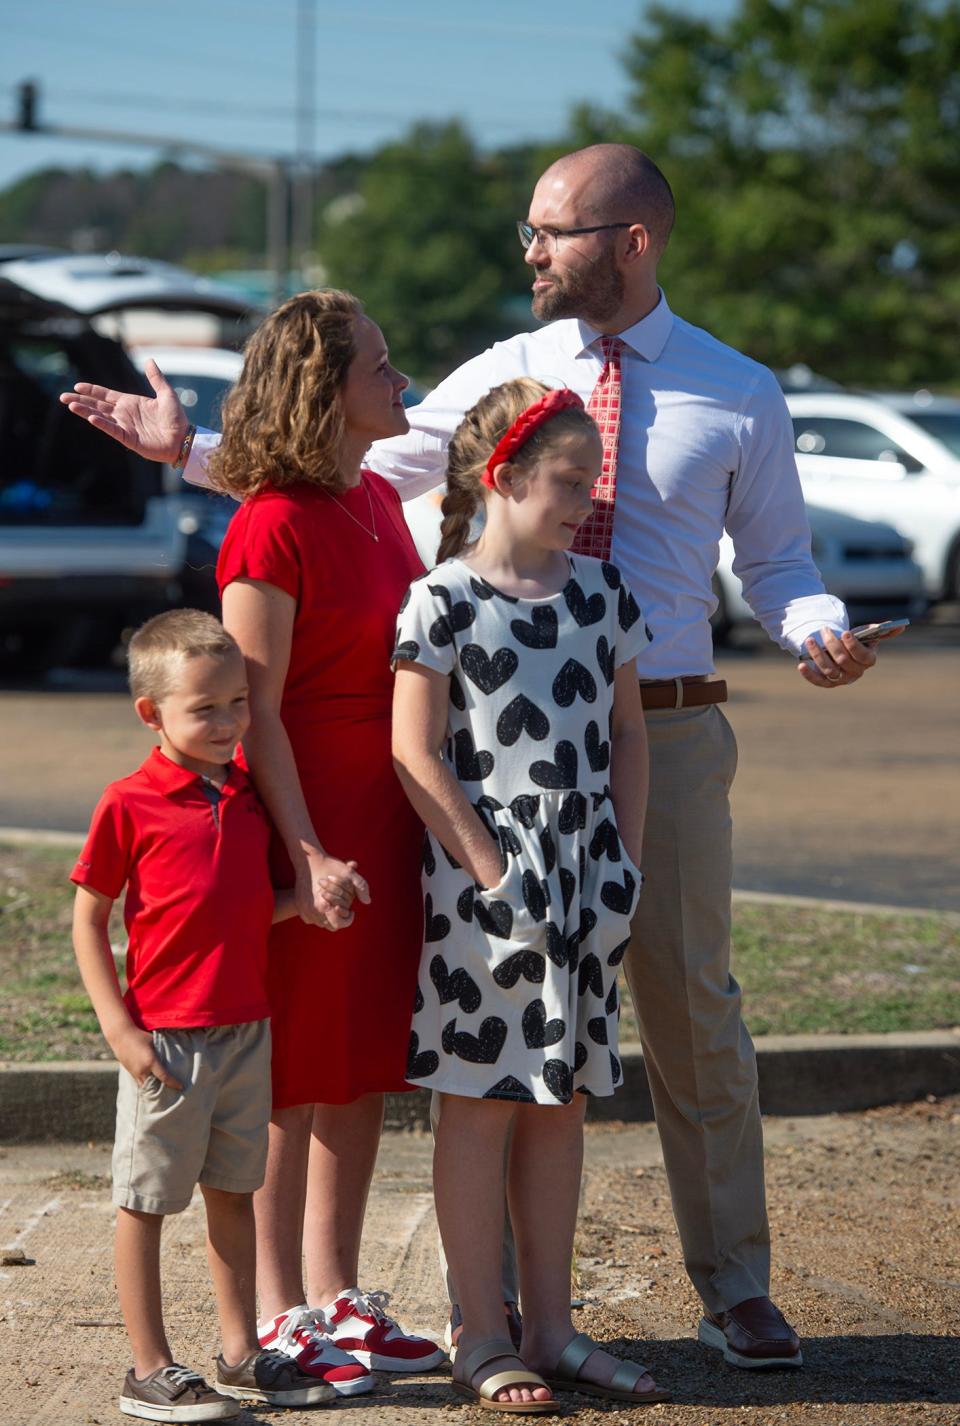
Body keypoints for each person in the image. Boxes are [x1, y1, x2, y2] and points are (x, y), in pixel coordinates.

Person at [60, 143, 897, 1368]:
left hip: (658, 719)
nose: (531, 251)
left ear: (633, 241)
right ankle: (492, 1318)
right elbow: (347, 465)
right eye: (529, 229)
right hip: (489, 750)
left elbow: (777, 564)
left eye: (552, 231)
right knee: (496, 1031)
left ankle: (735, 1284)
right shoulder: (505, 374)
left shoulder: (741, 391)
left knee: (692, 1011)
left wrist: (817, 631)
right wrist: (190, 454)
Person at [66, 291, 446, 1395]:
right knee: (290, 1078)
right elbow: (256, 709)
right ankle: (277, 1315)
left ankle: (336, 1297)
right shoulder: (267, 522)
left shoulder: (373, 495)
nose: (401, 379)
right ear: (327, 389)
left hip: (380, 816)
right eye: (380, 364)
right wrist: (307, 849)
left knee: (360, 1065)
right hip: (304, 821)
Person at [391, 377, 669, 1412]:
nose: (583, 502)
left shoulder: (604, 590)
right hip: (482, 888)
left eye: (591, 481)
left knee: (564, 1103)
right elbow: (413, 753)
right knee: (477, 1107)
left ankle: (552, 1328)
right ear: (499, 477)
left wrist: (626, 860)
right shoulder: (442, 599)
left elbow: (631, 734)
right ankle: (479, 1330)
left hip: (590, 878)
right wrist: (491, 871)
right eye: (565, 481)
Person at [70, 609, 333, 1421]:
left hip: (245, 1030)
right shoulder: (129, 803)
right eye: (205, 708)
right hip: (166, 1042)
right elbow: (88, 917)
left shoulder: (249, 796)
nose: (228, 723)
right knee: (145, 1200)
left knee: (233, 1191)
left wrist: (311, 903)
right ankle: (147, 1368)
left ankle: (240, 1353)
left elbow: (248, 907)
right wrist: (120, 1030)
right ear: (152, 714)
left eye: (238, 703)